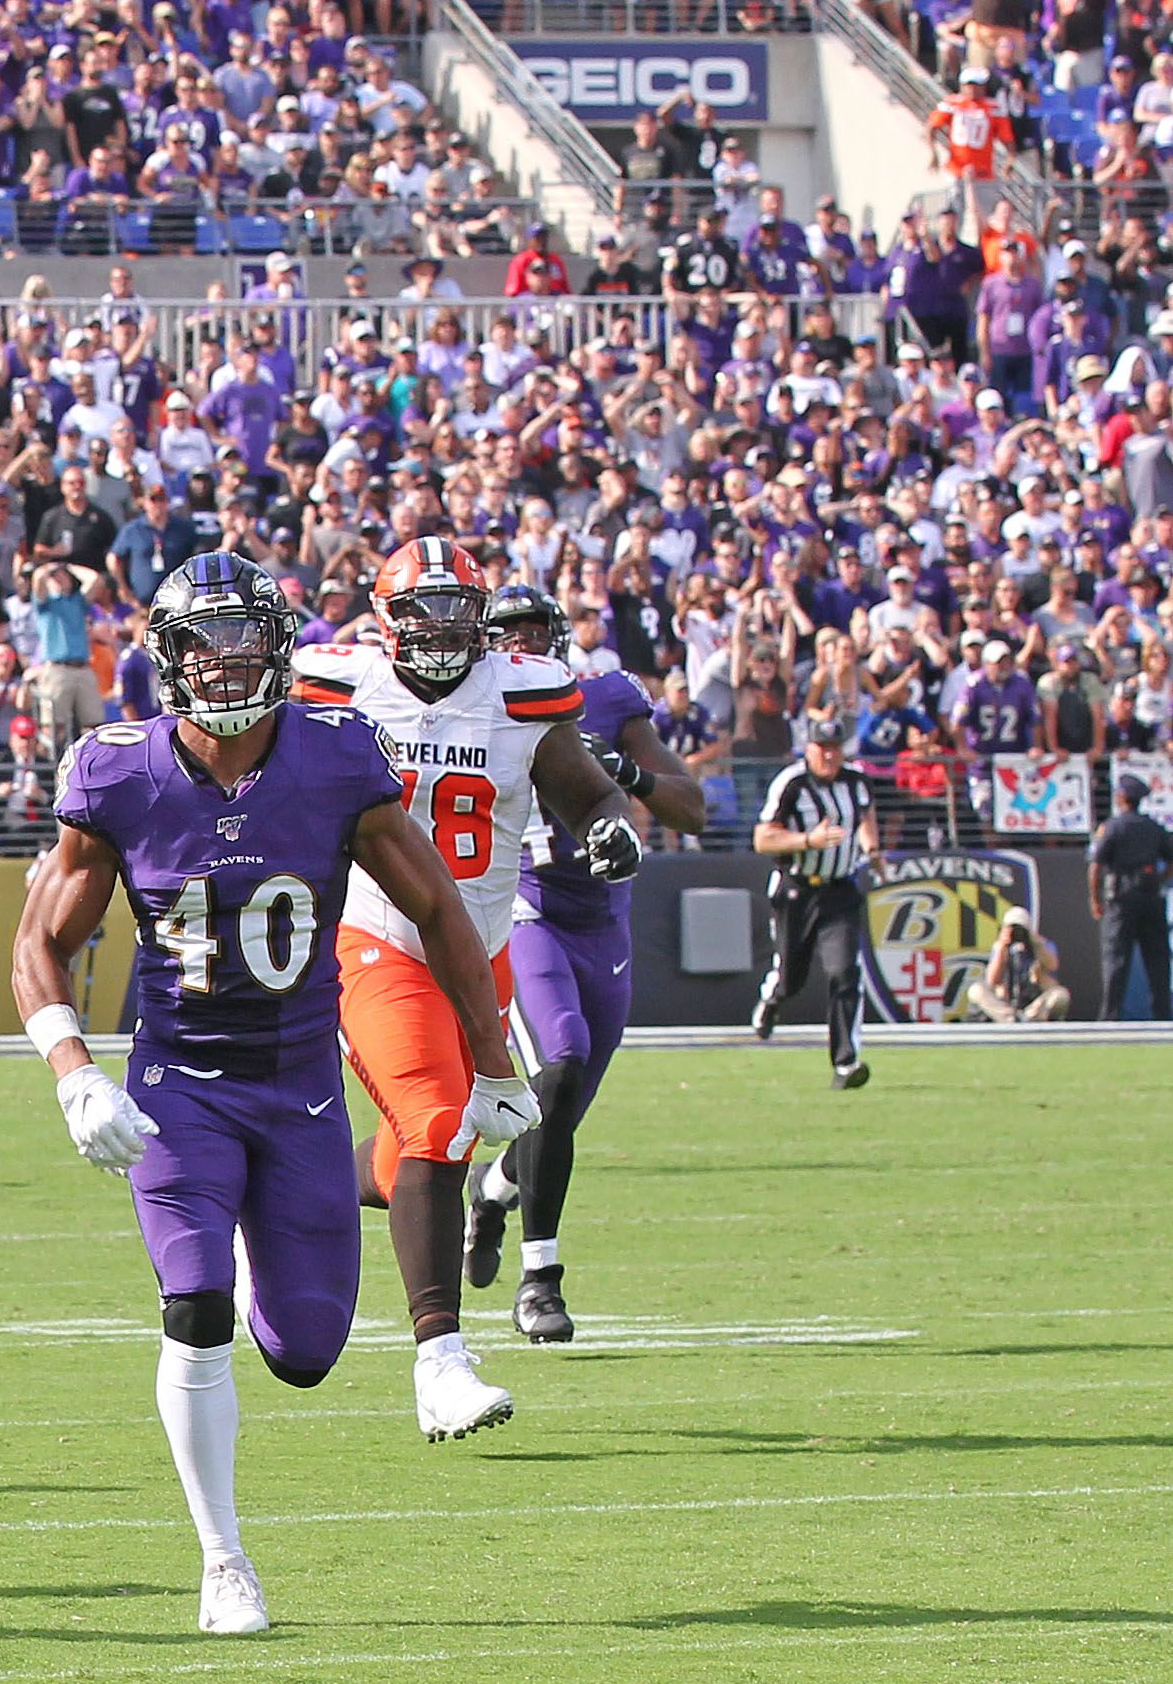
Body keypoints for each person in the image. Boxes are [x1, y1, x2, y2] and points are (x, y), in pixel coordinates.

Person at [14, 555, 531, 1636]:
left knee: (303, 1352)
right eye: (206, 642)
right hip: (179, 1089)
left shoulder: (338, 758)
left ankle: (256, 1245)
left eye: (247, 638)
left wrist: (492, 1061)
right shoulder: (119, 774)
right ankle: (224, 1561)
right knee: (195, 1310)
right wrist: (72, 1071)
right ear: (167, 658)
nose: (229, 661)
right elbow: (40, 941)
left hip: (300, 1092)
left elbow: (438, 906)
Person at [292, 539, 639, 1437]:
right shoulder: (339, 687)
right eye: (422, 610)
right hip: (381, 940)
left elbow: (587, 792)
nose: (441, 628)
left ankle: (286, 1187)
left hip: (480, 950)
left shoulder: (523, 693)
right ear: (386, 619)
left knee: (414, 1146)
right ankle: (440, 1364)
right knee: (441, 1124)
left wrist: (611, 829)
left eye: (457, 609)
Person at [465, 585, 706, 1344]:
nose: (521, 648)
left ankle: (493, 1188)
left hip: (605, 922)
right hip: (528, 906)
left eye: (534, 633)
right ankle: (541, 1280)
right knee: (559, 1060)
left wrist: (627, 780)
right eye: (506, 636)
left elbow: (692, 807)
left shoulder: (603, 698)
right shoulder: (468, 706)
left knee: (558, 1107)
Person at [749, 720, 878, 1085]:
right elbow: (762, 839)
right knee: (793, 976)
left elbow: (866, 816)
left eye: (835, 746)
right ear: (808, 749)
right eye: (823, 747)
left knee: (844, 971)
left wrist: (873, 848)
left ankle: (846, 1062)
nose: (830, 754)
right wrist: (808, 840)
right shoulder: (791, 784)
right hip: (797, 888)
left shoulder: (857, 782)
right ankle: (773, 999)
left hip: (840, 890)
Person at [1087, 772, 1170, 1020]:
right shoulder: (1154, 827)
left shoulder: (1113, 827)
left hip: (1121, 899)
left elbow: (1096, 866)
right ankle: (1163, 1016)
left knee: (1116, 959)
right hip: (1151, 896)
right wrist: (1160, 879)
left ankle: (1110, 1017)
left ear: (1121, 797)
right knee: (1157, 960)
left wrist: (1096, 900)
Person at [967, 908, 1072, 1022]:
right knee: (976, 990)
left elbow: (1052, 966)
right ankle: (1010, 1019)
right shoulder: (1000, 947)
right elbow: (992, 981)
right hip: (1005, 1003)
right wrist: (1002, 947)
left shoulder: (1043, 945)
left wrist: (1035, 942)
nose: (1017, 933)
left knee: (1061, 995)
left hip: (1035, 1003)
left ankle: (1030, 1017)